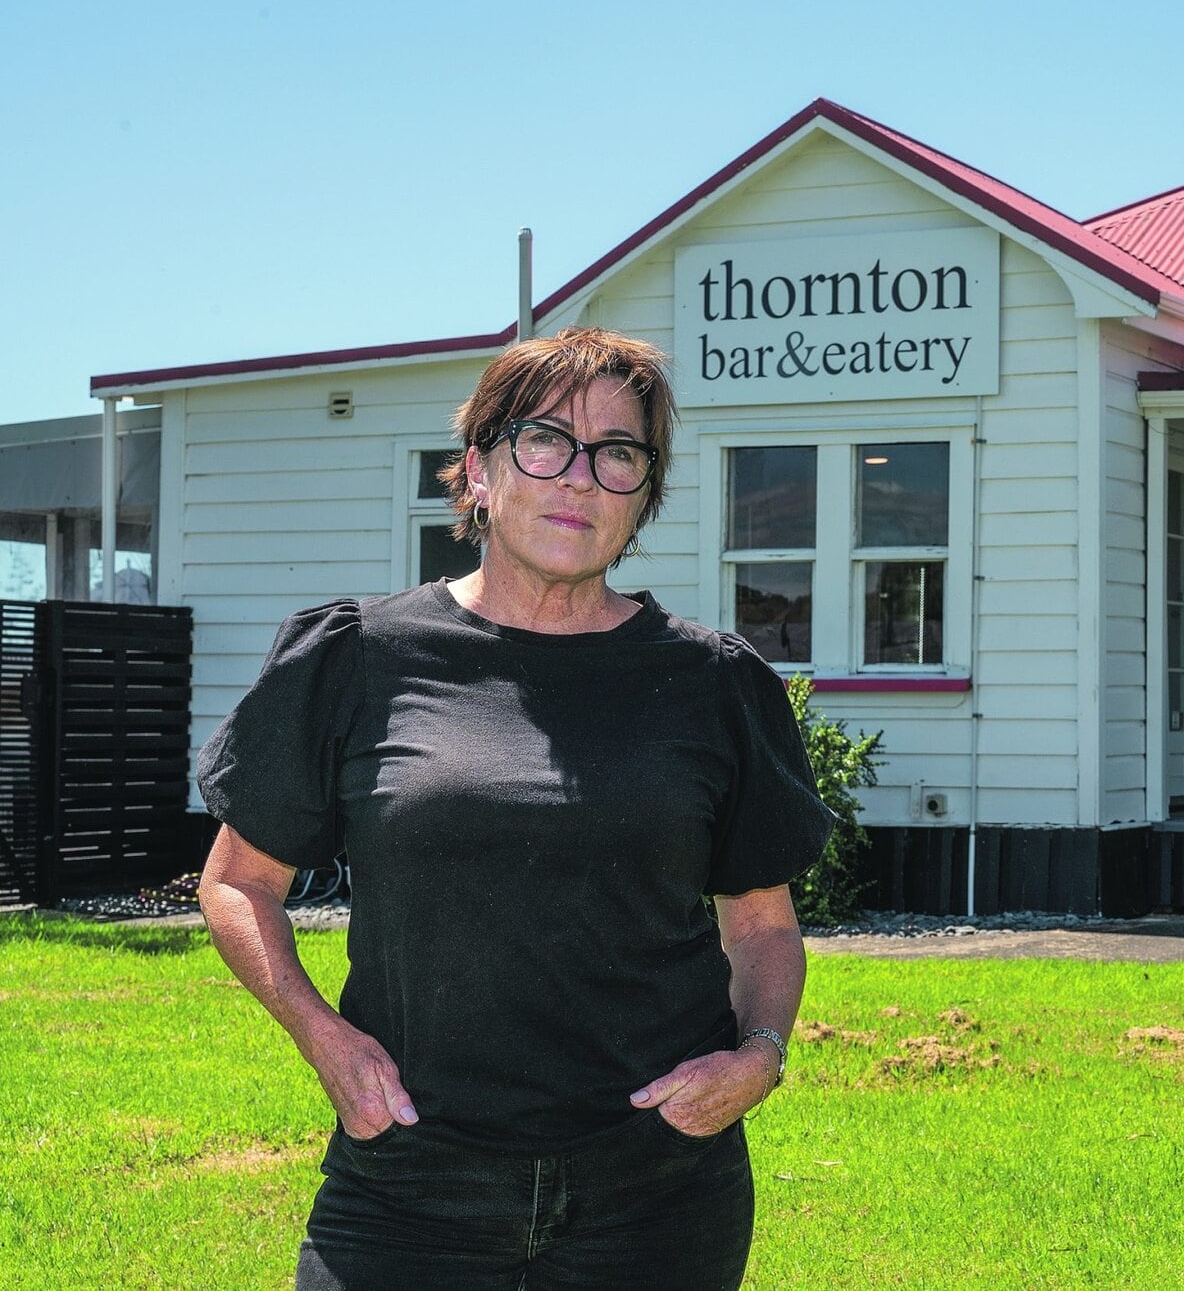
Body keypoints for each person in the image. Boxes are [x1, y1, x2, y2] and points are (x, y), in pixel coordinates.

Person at [196, 327, 837, 1289]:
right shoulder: (358, 657)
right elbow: (239, 883)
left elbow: (762, 928)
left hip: (658, 1189)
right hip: (411, 1176)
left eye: (617, 454)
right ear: (479, 469)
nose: (579, 479)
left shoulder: (713, 682)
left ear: (644, 495)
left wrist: (761, 1055)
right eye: (545, 441)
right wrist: (321, 1036)